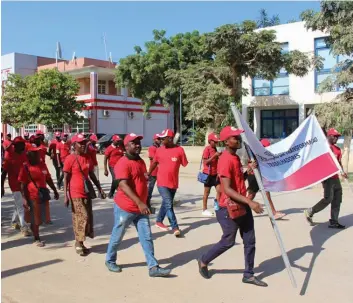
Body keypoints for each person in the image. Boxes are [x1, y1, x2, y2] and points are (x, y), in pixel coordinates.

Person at [197, 126, 267, 287]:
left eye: (238, 137)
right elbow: (227, 189)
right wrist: (250, 201)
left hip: (242, 205)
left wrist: (247, 171)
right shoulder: (225, 160)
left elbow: (236, 181)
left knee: (250, 241)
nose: (238, 140)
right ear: (227, 141)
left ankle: (248, 274)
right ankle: (204, 260)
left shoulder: (234, 158)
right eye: (235, 138)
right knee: (228, 241)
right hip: (228, 209)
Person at [105, 133, 171, 277]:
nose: (138, 145)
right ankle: (110, 260)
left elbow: (140, 179)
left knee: (146, 236)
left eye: (138, 142)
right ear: (126, 146)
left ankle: (153, 267)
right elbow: (123, 185)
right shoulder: (122, 163)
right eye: (134, 143)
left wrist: (144, 183)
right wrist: (140, 202)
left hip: (141, 208)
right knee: (118, 235)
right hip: (126, 208)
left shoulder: (140, 161)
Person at [63, 134, 106, 256]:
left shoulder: (87, 158)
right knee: (81, 217)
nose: (83, 145)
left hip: (86, 191)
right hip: (75, 192)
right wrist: (66, 195)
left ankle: (82, 242)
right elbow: (66, 177)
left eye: (84, 143)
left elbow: (91, 174)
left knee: (88, 218)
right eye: (80, 143)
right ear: (74, 145)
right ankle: (78, 242)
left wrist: (99, 188)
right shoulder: (70, 158)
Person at [304, 128, 348, 229]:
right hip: (327, 178)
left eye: (337, 136)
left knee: (337, 199)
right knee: (328, 199)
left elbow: (338, 163)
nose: (336, 138)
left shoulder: (337, 149)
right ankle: (310, 211)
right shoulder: (323, 148)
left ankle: (334, 221)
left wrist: (342, 172)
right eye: (334, 136)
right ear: (329, 136)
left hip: (335, 177)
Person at [148, 129, 188, 237]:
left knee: (166, 204)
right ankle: (175, 227)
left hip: (173, 183)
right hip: (162, 183)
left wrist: (178, 156)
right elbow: (154, 163)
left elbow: (185, 164)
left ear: (170, 139)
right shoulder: (159, 150)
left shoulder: (179, 150)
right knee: (169, 204)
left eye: (162, 138)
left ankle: (159, 221)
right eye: (160, 138)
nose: (160, 140)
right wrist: (148, 173)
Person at [19, 146, 59, 247]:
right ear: (30, 156)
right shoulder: (25, 167)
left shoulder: (42, 165)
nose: (39, 155)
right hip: (32, 195)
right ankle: (37, 238)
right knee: (34, 217)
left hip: (43, 195)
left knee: (41, 216)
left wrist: (55, 190)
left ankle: (35, 231)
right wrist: (23, 198)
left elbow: (48, 178)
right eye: (36, 154)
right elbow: (22, 184)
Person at [247, 139, 286, 220]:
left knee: (265, 193)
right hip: (254, 176)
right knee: (251, 195)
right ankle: (240, 209)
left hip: (259, 176)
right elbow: (251, 166)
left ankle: (273, 212)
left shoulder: (262, 153)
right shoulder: (254, 153)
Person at [1, 136, 31, 236]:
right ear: (15, 145)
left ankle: (14, 221)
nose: (23, 146)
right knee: (21, 205)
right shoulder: (9, 156)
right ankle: (24, 227)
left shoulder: (24, 154)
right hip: (14, 183)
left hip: (24, 183)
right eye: (21, 144)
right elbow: (4, 173)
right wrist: (1, 186)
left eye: (23, 144)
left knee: (18, 204)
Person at [201, 133, 221, 217]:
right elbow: (205, 162)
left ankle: (216, 205)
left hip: (215, 174)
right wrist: (214, 156)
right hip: (208, 174)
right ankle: (204, 209)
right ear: (210, 141)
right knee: (206, 193)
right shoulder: (207, 149)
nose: (216, 143)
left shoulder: (215, 149)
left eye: (217, 142)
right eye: (214, 141)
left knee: (219, 191)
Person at [147, 134, 161, 208]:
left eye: (160, 139)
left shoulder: (160, 148)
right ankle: (147, 201)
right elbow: (152, 158)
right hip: (154, 171)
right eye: (158, 139)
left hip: (161, 171)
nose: (159, 140)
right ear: (154, 140)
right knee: (150, 188)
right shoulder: (152, 148)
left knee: (162, 186)